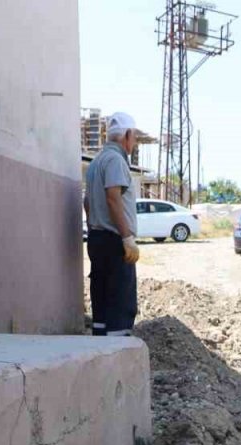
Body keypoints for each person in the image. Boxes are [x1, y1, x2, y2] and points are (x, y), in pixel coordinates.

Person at [83, 112, 140, 336]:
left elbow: (87, 202)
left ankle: (101, 347)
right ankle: (119, 350)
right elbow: (113, 197)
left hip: (97, 240)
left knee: (102, 302)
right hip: (114, 242)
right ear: (127, 135)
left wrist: (95, 227)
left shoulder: (96, 162)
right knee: (120, 303)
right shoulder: (116, 160)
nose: (134, 142)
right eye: (134, 137)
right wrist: (127, 238)